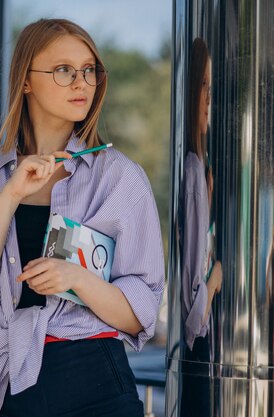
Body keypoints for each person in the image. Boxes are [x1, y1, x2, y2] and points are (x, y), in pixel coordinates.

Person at [0, 18, 164, 417]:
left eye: (89, 70)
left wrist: (77, 279)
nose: (81, 83)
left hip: (95, 376)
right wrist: (10, 195)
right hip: (7, 380)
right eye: (64, 70)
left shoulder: (120, 177)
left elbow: (140, 316)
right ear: (26, 81)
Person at [178, 37, 223, 417]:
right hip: (199, 355)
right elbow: (192, 317)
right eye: (204, 84)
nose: (209, 96)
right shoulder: (192, 169)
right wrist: (214, 280)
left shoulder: (197, 171)